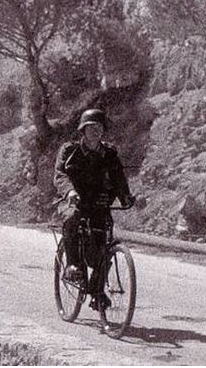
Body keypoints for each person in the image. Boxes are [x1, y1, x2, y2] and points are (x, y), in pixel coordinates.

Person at [54, 108, 134, 311]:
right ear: (83, 130)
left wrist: (125, 196)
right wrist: (70, 193)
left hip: (99, 204)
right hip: (74, 201)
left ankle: (96, 292)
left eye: (99, 127)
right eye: (91, 128)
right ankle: (72, 265)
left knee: (104, 249)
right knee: (72, 218)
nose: (96, 131)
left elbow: (118, 178)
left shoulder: (109, 154)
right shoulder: (69, 151)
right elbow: (60, 175)